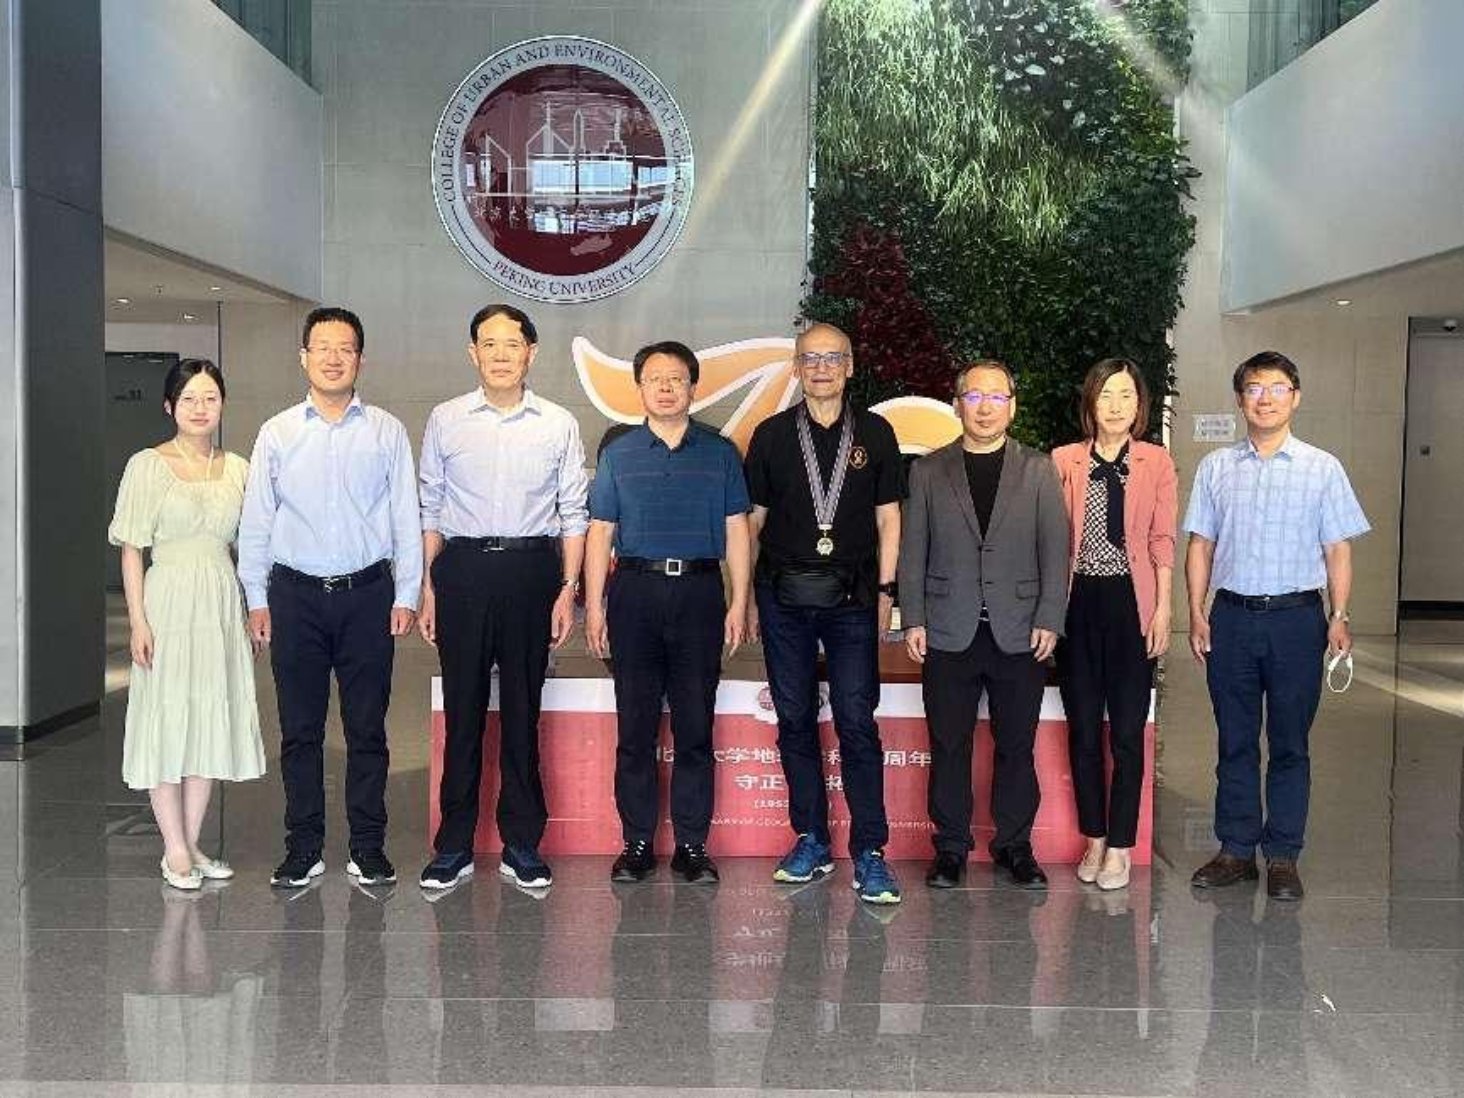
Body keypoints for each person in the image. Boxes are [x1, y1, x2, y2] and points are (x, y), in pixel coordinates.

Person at [238, 307, 423, 889]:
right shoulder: (277, 432)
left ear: (360, 359)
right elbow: (257, 520)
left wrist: (408, 592)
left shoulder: (387, 431)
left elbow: (405, 515)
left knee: (367, 728)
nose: (333, 358)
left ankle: (368, 846)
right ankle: (303, 846)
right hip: (294, 597)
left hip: (368, 594)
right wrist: (256, 597)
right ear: (304, 357)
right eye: (322, 347)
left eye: (345, 348)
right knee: (300, 730)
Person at [417, 303, 589, 892]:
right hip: (461, 571)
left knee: (522, 712)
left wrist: (567, 589)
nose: (499, 355)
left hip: (530, 571)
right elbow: (430, 507)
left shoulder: (557, 423)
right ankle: (453, 845)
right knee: (462, 713)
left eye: (511, 344)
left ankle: (522, 843)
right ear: (473, 353)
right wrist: (428, 587)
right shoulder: (445, 419)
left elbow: (573, 512)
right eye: (488, 344)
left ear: (530, 353)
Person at [1185, 350, 1369, 901]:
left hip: (1297, 621)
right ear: (1240, 399)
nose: (1265, 398)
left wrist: (1339, 615)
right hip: (1232, 619)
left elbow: (1337, 549)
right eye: (1254, 388)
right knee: (1235, 739)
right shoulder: (1216, 467)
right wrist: (1195, 611)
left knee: (1290, 742)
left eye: (1277, 388)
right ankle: (1236, 849)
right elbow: (1201, 545)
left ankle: (1283, 855)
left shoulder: (1322, 467)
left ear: (1296, 397)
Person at [744, 322, 904, 905]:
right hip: (782, 598)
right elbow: (753, 522)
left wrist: (886, 594)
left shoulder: (876, 433)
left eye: (833, 358)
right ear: (796, 367)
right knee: (794, 719)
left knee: (857, 720)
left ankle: (870, 851)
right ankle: (811, 838)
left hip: (854, 600)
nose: (821, 368)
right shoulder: (771, 435)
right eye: (810, 359)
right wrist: (744, 597)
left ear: (850, 366)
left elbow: (889, 519)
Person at [584, 340, 751, 884]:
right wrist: (595, 608)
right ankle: (636, 842)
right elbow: (600, 532)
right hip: (634, 592)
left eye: (675, 378)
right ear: (639, 388)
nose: (664, 387)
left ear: (692, 387)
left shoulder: (719, 452)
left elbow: (736, 529)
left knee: (694, 726)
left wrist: (739, 599)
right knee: (635, 727)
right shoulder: (619, 454)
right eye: (653, 378)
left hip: (700, 593)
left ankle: (692, 846)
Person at [899, 359, 1068, 890]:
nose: (985, 407)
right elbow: (913, 549)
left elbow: (1055, 549)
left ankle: (1015, 846)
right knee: (949, 745)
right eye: (974, 396)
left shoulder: (1038, 469)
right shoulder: (929, 470)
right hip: (948, 628)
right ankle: (950, 847)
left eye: (997, 397)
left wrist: (1050, 617)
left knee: (1016, 744)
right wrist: (913, 617)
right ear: (957, 405)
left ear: (1012, 406)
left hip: (1020, 630)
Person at [108, 358, 266, 890]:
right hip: (168, 602)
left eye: (210, 398)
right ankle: (173, 849)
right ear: (169, 406)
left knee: (208, 719)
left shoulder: (239, 468)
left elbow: (253, 547)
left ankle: (192, 842)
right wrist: (138, 621)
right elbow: (132, 549)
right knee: (167, 715)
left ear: (223, 405)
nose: (201, 408)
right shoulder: (146, 466)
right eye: (190, 399)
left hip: (220, 602)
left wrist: (253, 607)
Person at [1052, 359, 1178, 891]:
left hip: (1132, 604)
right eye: (1106, 394)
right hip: (1077, 604)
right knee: (1083, 730)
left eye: (1126, 395)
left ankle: (1122, 846)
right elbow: (1050, 541)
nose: (1116, 406)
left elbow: (1162, 540)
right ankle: (1095, 838)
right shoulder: (1064, 460)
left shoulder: (1156, 462)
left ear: (1140, 405)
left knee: (1127, 733)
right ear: (1090, 401)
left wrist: (1163, 608)